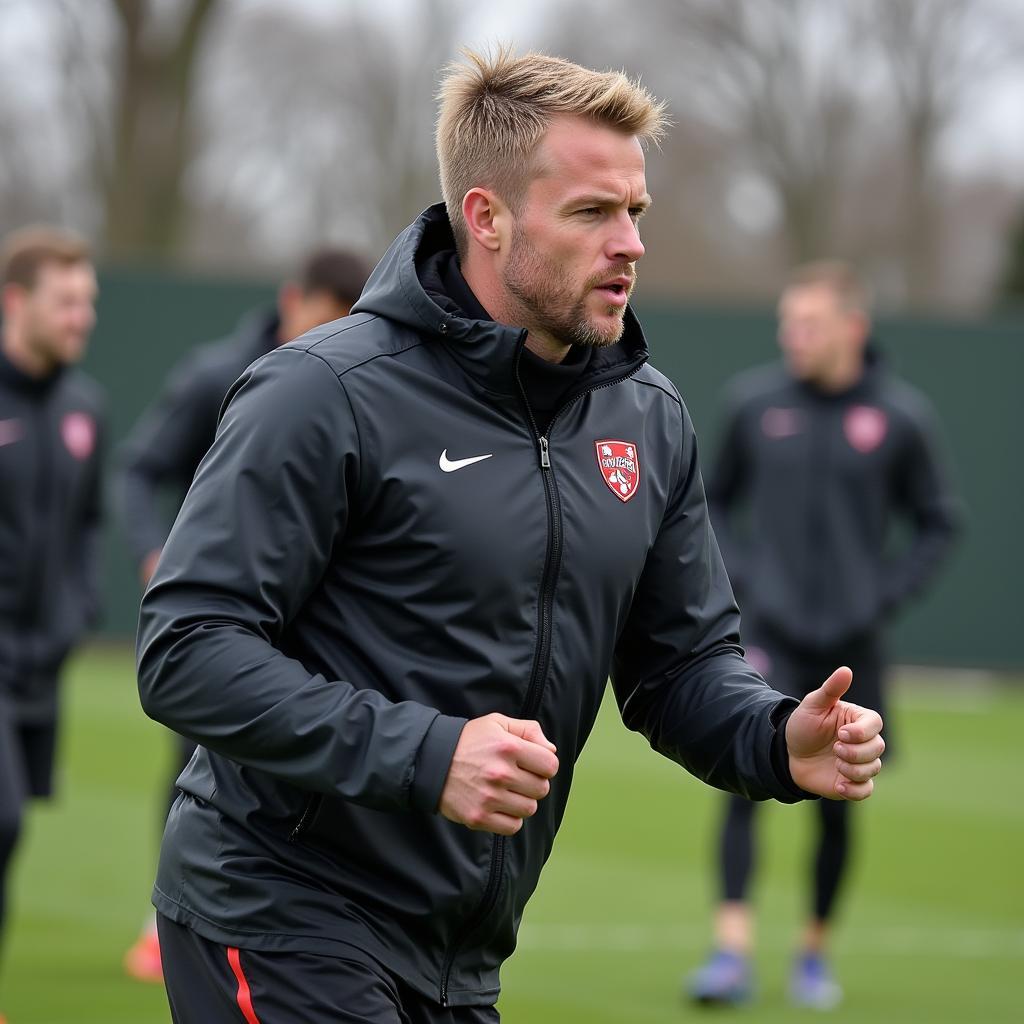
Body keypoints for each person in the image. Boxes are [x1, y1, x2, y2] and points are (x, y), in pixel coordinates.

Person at [136, 50, 885, 1024]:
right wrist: (428, 752)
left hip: (461, 957)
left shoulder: (647, 419)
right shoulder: (322, 392)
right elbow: (186, 651)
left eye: (636, 213)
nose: (630, 245)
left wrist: (776, 735)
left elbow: (680, 665)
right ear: (486, 217)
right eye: (591, 213)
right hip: (277, 913)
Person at [687, 261, 960, 1009]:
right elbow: (710, 503)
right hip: (769, 632)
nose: (792, 337)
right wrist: (744, 580)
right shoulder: (753, 404)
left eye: (808, 323)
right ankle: (730, 953)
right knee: (740, 780)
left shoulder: (899, 418)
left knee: (843, 793)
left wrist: (883, 594)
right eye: (787, 323)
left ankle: (812, 952)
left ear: (853, 328)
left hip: (852, 645)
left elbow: (940, 521)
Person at [116, 246, 371, 983]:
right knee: (201, 760)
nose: (337, 337)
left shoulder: (364, 382)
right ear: (294, 302)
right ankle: (164, 919)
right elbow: (137, 467)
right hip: (227, 609)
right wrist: (152, 553)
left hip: (314, 619)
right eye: (327, 321)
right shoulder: (216, 375)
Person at [0, 227, 104, 1018]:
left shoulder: (83, 408)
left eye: (89, 303)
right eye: (66, 302)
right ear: (16, 302)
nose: (81, 318)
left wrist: (76, 611)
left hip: (42, 664)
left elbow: (86, 527)